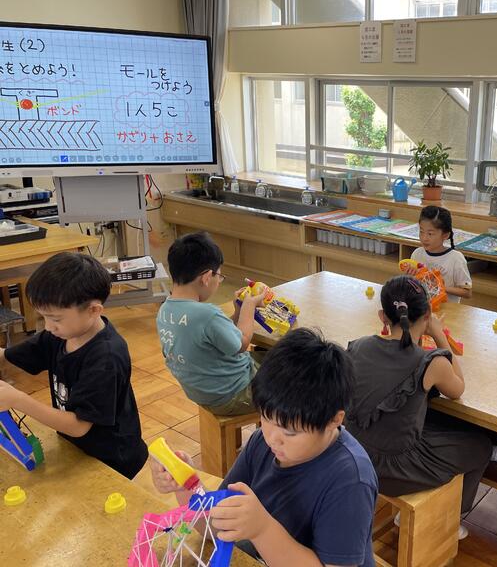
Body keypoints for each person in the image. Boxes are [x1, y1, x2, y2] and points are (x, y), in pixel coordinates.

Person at [151, 328, 378, 567]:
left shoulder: (351, 481)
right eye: (265, 418)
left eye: (290, 432)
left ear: (333, 420)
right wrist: (186, 486)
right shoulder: (261, 442)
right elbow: (215, 526)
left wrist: (262, 529)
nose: (272, 439)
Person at [346, 275, 492, 540]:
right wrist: (439, 334)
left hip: (352, 453)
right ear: (427, 315)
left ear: (382, 316)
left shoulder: (358, 346)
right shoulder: (431, 362)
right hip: (394, 469)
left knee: (425, 419)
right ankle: (450, 520)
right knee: (481, 446)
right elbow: (458, 390)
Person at [0, 252, 147, 479]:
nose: (48, 326)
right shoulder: (61, 334)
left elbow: (79, 425)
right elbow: (8, 356)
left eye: (55, 319)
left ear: (93, 310)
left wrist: (18, 400)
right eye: (43, 317)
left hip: (112, 459)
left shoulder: (106, 358)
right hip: (77, 449)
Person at [158, 232, 268, 415]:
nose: (219, 281)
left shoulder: (164, 310)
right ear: (207, 277)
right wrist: (249, 306)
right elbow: (241, 343)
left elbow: (215, 337)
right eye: (219, 276)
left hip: (205, 391)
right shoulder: (206, 314)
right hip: (235, 394)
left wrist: (238, 313)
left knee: (276, 358)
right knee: (298, 370)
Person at [409, 206, 472, 303]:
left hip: (447, 308)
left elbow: (467, 292)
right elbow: (412, 286)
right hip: (421, 307)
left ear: (445, 235)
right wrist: (409, 277)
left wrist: (441, 287)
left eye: (430, 234)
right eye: (421, 232)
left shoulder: (456, 259)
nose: (424, 238)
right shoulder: (417, 254)